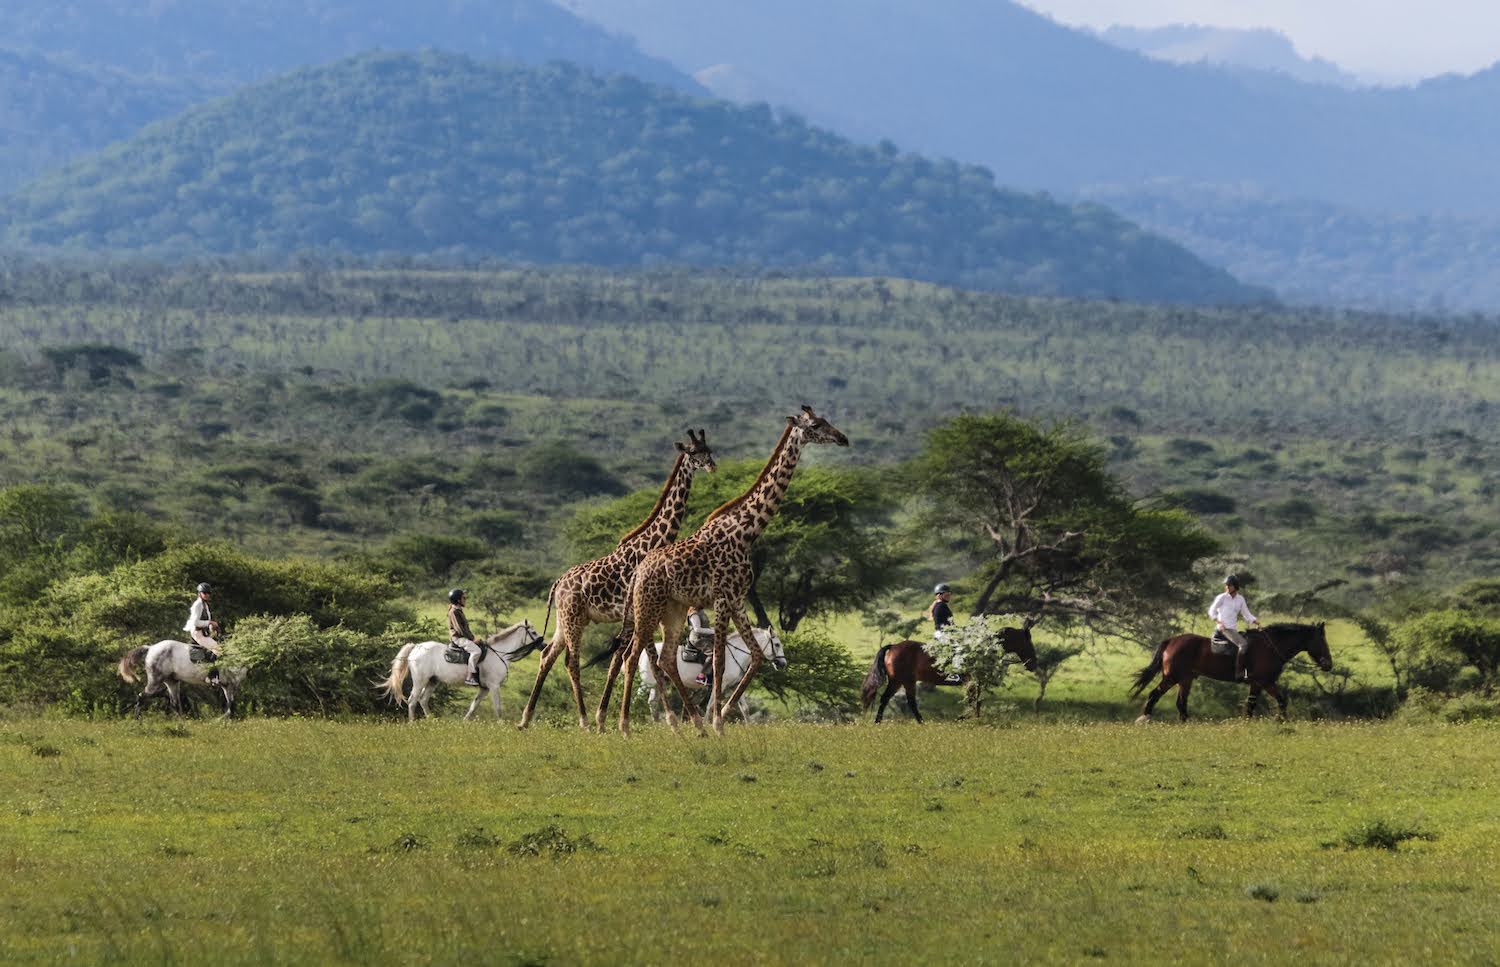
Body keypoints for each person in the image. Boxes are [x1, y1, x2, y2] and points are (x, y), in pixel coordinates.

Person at [1209, 574, 1260, 681]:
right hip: (1224, 629)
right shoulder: (1222, 597)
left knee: (1249, 640)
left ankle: (1247, 669)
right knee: (1243, 644)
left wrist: (1256, 622)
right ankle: (1238, 672)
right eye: (1226, 585)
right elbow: (1211, 611)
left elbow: (1246, 614)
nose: (1227, 587)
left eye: (1229, 585)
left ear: (1235, 586)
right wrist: (1219, 622)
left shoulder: (1240, 599)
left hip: (1232, 630)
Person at [184, 582, 221, 686]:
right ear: (199, 593)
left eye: (208, 593)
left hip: (203, 632)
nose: (207, 595)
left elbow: (205, 620)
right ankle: (210, 677)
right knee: (217, 649)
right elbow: (195, 622)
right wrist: (210, 622)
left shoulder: (205, 605)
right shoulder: (198, 605)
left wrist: (212, 627)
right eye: (205, 593)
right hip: (197, 632)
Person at [448, 588, 482, 686]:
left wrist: (472, 637)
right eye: (464, 598)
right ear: (458, 600)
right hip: (458, 638)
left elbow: (465, 628)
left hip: (463, 636)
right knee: (477, 651)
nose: (465, 599)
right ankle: (469, 677)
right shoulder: (454, 611)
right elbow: (460, 629)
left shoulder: (458, 610)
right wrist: (472, 639)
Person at [688, 606, 715, 686]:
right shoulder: (694, 614)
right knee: (713, 653)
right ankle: (701, 676)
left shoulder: (701, 611)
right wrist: (712, 631)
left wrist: (714, 629)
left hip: (705, 637)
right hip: (697, 638)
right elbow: (697, 629)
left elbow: (705, 626)